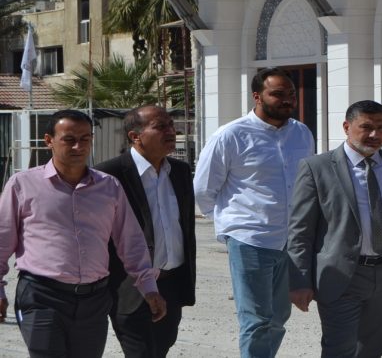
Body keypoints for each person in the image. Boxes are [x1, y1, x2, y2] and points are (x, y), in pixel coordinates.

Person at [0, 109, 165, 358]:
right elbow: (2, 240)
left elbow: (130, 240)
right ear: (49, 141)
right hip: (41, 296)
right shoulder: (23, 184)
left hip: (94, 300)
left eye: (85, 139)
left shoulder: (109, 186)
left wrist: (149, 287)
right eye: (69, 139)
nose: (78, 146)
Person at [194, 68, 315, 358]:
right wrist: (232, 224)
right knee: (257, 319)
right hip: (249, 239)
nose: (287, 100)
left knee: (278, 317)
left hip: (290, 240)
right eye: (278, 94)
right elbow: (203, 189)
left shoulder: (301, 133)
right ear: (257, 96)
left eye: (291, 94)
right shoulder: (231, 135)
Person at [287, 100, 382, 358]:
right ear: (347, 127)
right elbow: (300, 231)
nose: (375, 134)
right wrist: (299, 280)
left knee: (373, 349)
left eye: (381, 127)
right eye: (366, 127)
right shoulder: (317, 167)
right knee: (339, 349)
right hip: (341, 275)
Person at [94, 105, 197, 358]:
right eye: (160, 126)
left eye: (171, 125)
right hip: (129, 286)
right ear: (135, 136)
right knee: (140, 351)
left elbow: (185, 227)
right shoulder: (109, 174)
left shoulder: (180, 171)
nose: (171, 131)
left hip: (171, 283)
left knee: (161, 348)